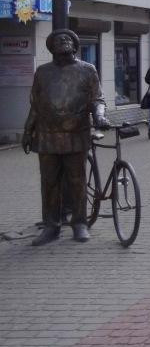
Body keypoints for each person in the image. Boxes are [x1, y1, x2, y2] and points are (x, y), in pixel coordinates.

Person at [22, 29, 109, 245]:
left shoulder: (87, 70)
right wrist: (27, 131)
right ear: (51, 48)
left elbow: (97, 99)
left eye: (68, 39)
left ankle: (79, 223)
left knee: (76, 180)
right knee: (49, 182)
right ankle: (51, 226)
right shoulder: (42, 72)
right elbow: (36, 105)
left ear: (75, 46)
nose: (63, 40)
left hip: (75, 134)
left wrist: (99, 117)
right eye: (58, 39)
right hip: (47, 136)